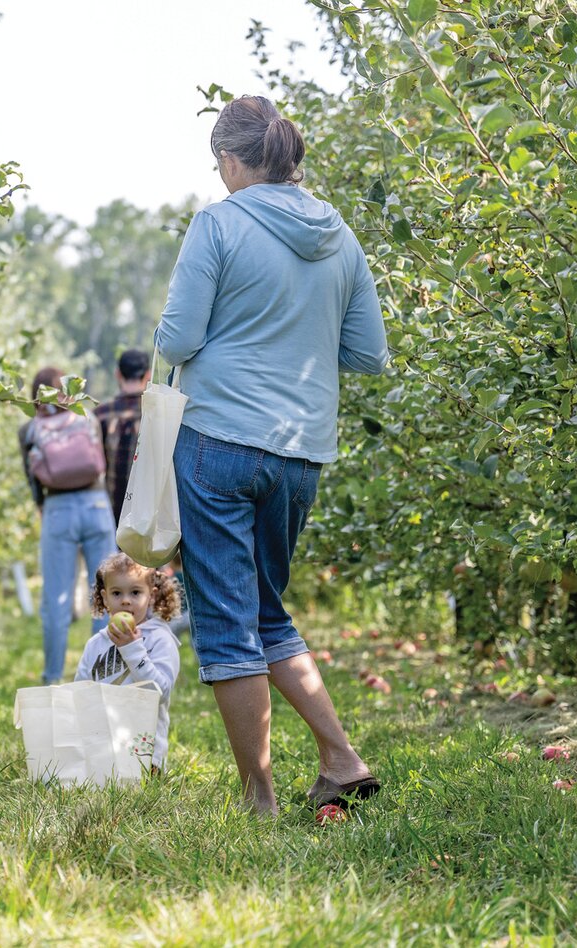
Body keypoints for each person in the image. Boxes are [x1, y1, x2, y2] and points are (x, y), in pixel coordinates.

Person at [154, 95, 389, 815]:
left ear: (229, 160)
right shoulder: (339, 236)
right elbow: (367, 354)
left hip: (217, 438)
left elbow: (175, 341)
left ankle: (258, 799)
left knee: (228, 621)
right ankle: (341, 759)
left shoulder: (218, 223)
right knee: (261, 606)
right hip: (299, 451)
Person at [19, 366, 117, 684]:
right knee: (105, 594)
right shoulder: (89, 418)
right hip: (97, 504)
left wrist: (42, 508)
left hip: (57, 509)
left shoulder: (29, 430)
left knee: (56, 600)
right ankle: (101, 679)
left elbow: (34, 483)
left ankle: (52, 680)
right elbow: (106, 464)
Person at [74, 553, 182, 771]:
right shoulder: (96, 644)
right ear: (104, 598)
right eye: (116, 593)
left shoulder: (160, 639)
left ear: (151, 596)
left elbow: (160, 693)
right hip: (100, 749)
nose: (125, 600)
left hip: (144, 753)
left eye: (135, 592)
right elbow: (79, 693)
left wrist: (131, 648)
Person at [94, 348, 152, 526]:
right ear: (148, 375)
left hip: (108, 514)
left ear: (117, 374)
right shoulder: (157, 413)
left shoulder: (100, 415)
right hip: (148, 515)